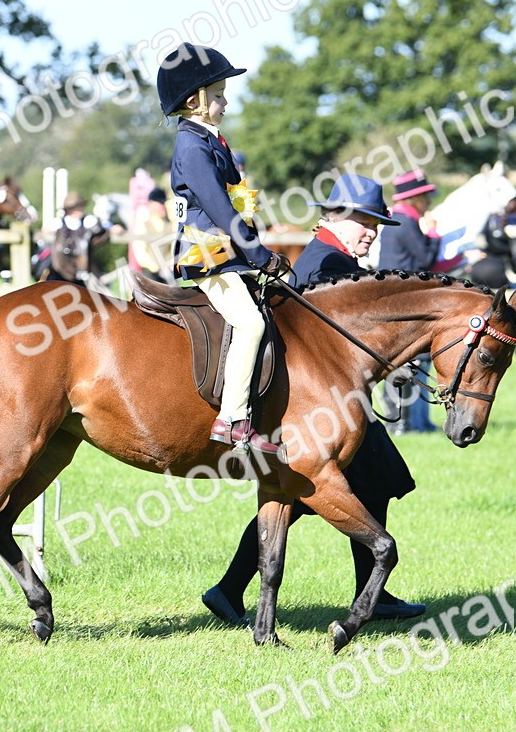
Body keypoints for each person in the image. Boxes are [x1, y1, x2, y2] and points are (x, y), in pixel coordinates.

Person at [202, 174, 426, 627]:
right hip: (321, 407)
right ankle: (230, 589)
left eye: (376, 225)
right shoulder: (328, 264)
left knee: (356, 485)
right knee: (306, 493)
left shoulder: (334, 257)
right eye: (366, 222)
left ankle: (230, 589)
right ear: (337, 218)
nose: (372, 232)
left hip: (335, 402)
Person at [156, 41, 288, 454]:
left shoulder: (211, 140)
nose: (225, 103)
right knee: (250, 324)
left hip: (228, 255)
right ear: (193, 101)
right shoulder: (192, 147)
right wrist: (260, 255)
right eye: (218, 95)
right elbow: (219, 208)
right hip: (208, 256)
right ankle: (231, 419)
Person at [376, 170, 440, 434]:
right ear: (415, 198)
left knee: (410, 362)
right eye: (425, 196)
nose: (429, 201)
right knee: (405, 363)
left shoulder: (400, 219)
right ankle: (402, 423)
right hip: (403, 303)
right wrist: (434, 234)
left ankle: (412, 422)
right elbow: (425, 259)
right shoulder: (406, 222)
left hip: (397, 300)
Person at [46, 192, 111, 286]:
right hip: (61, 267)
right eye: (76, 207)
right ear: (69, 209)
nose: (80, 210)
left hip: (83, 267)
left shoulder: (88, 221)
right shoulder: (58, 223)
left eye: (80, 207)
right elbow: (46, 231)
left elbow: (103, 226)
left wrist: (111, 228)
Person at [130, 187, 173, 282]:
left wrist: (169, 266)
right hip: (150, 275)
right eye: (160, 203)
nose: (163, 206)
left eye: (164, 203)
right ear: (151, 204)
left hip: (168, 272)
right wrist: (157, 268)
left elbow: (172, 249)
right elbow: (140, 252)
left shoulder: (169, 225)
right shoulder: (143, 225)